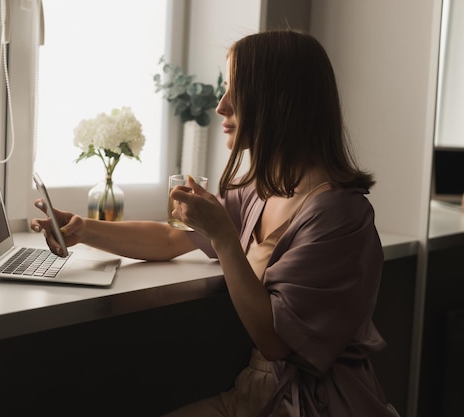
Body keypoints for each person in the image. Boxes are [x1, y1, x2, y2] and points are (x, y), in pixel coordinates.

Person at [31, 30, 398, 417]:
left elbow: (275, 341)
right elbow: (172, 237)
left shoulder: (339, 215)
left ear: (278, 101)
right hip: (255, 393)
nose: (221, 105)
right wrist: (83, 230)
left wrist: (223, 235)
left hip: (314, 405)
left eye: (235, 90)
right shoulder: (263, 192)